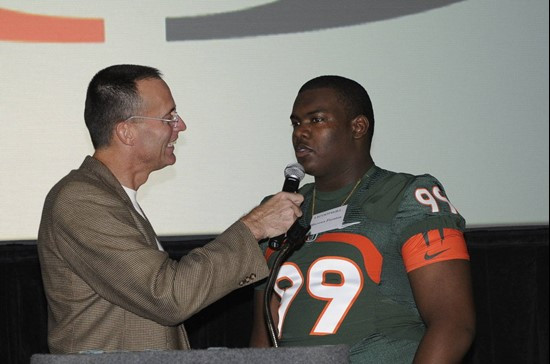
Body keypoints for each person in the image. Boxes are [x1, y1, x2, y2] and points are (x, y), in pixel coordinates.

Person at [37, 64, 304, 354]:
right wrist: (254, 226)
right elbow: (167, 296)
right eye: (169, 117)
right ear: (126, 131)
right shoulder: (81, 200)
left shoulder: (113, 197)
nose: (181, 126)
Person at [250, 76, 476, 363]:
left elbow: (453, 323)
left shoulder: (408, 196)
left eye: (316, 120)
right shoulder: (277, 211)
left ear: (357, 127)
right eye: (296, 123)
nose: (301, 133)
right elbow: (263, 336)